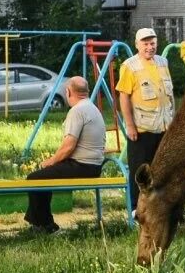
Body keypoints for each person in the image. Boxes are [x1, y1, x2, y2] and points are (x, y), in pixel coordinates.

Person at [25, 76, 106, 232]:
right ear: (86, 92)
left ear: (68, 92)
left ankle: (45, 225)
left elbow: (69, 145)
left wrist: (51, 161)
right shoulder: (92, 108)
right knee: (43, 176)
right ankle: (40, 223)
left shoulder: (77, 111)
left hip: (81, 166)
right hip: (94, 166)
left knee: (35, 178)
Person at [116, 27, 175, 211]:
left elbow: (169, 95)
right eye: (145, 44)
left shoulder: (163, 62)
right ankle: (136, 209)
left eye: (152, 43)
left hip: (165, 127)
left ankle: (161, 208)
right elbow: (123, 96)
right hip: (142, 129)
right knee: (140, 171)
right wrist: (130, 125)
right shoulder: (129, 66)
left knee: (163, 170)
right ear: (137, 45)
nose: (149, 47)